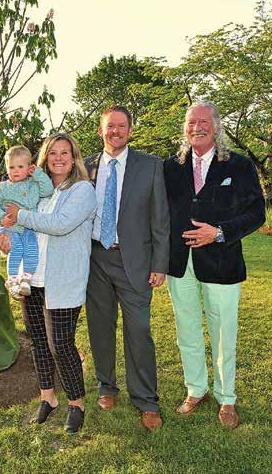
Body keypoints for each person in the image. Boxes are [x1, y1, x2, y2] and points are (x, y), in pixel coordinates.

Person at [164, 101, 265, 428]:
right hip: (180, 264)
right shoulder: (171, 167)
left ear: (217, 126)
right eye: (191, 122)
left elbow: (256, 213)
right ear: (185, 128)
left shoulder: (239, 165)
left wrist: (219, 233)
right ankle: (196, 389)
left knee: (224, 334)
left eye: (204, 122)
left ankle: (227, 397)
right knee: (187, 330)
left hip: (222, 263)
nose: (197, 127)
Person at [0, 133, 96, 433]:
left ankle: (76, 403)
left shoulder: (82, 190)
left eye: (65, 152)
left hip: (63, 281)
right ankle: (48, 397)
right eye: (53, 152)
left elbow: (60, 224)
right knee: (38, 341)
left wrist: (20, 215)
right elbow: (9, 219)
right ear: (44, 158)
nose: (58, 158)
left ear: (74, 158)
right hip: (31, 279)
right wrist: (3, 235)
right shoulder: (35, 190)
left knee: (61, 345)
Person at [85, 105, 170, 431]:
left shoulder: (150, 166)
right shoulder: (86, 166)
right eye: (110, 126)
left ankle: (146, 399)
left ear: (130, 131)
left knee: (139, 331)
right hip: (95, 258)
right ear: (100, 130)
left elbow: (160, 220)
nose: (115, 131)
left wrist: (159, 264)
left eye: (121, 126)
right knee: (100, 326)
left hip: (135, 261)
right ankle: (106, 385)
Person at [0, 145, 54, 299]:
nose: (15, 171)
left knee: (32, 250)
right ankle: (12, 279)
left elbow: (48, 190)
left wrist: (38, 174)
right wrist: (1, 217)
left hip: (29, 228)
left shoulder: (34, 185)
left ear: (29, 167)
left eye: (20, 167)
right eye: (11, 167)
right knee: (16, 250)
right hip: (10, 227)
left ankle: (26, 279)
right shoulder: (3, 187)